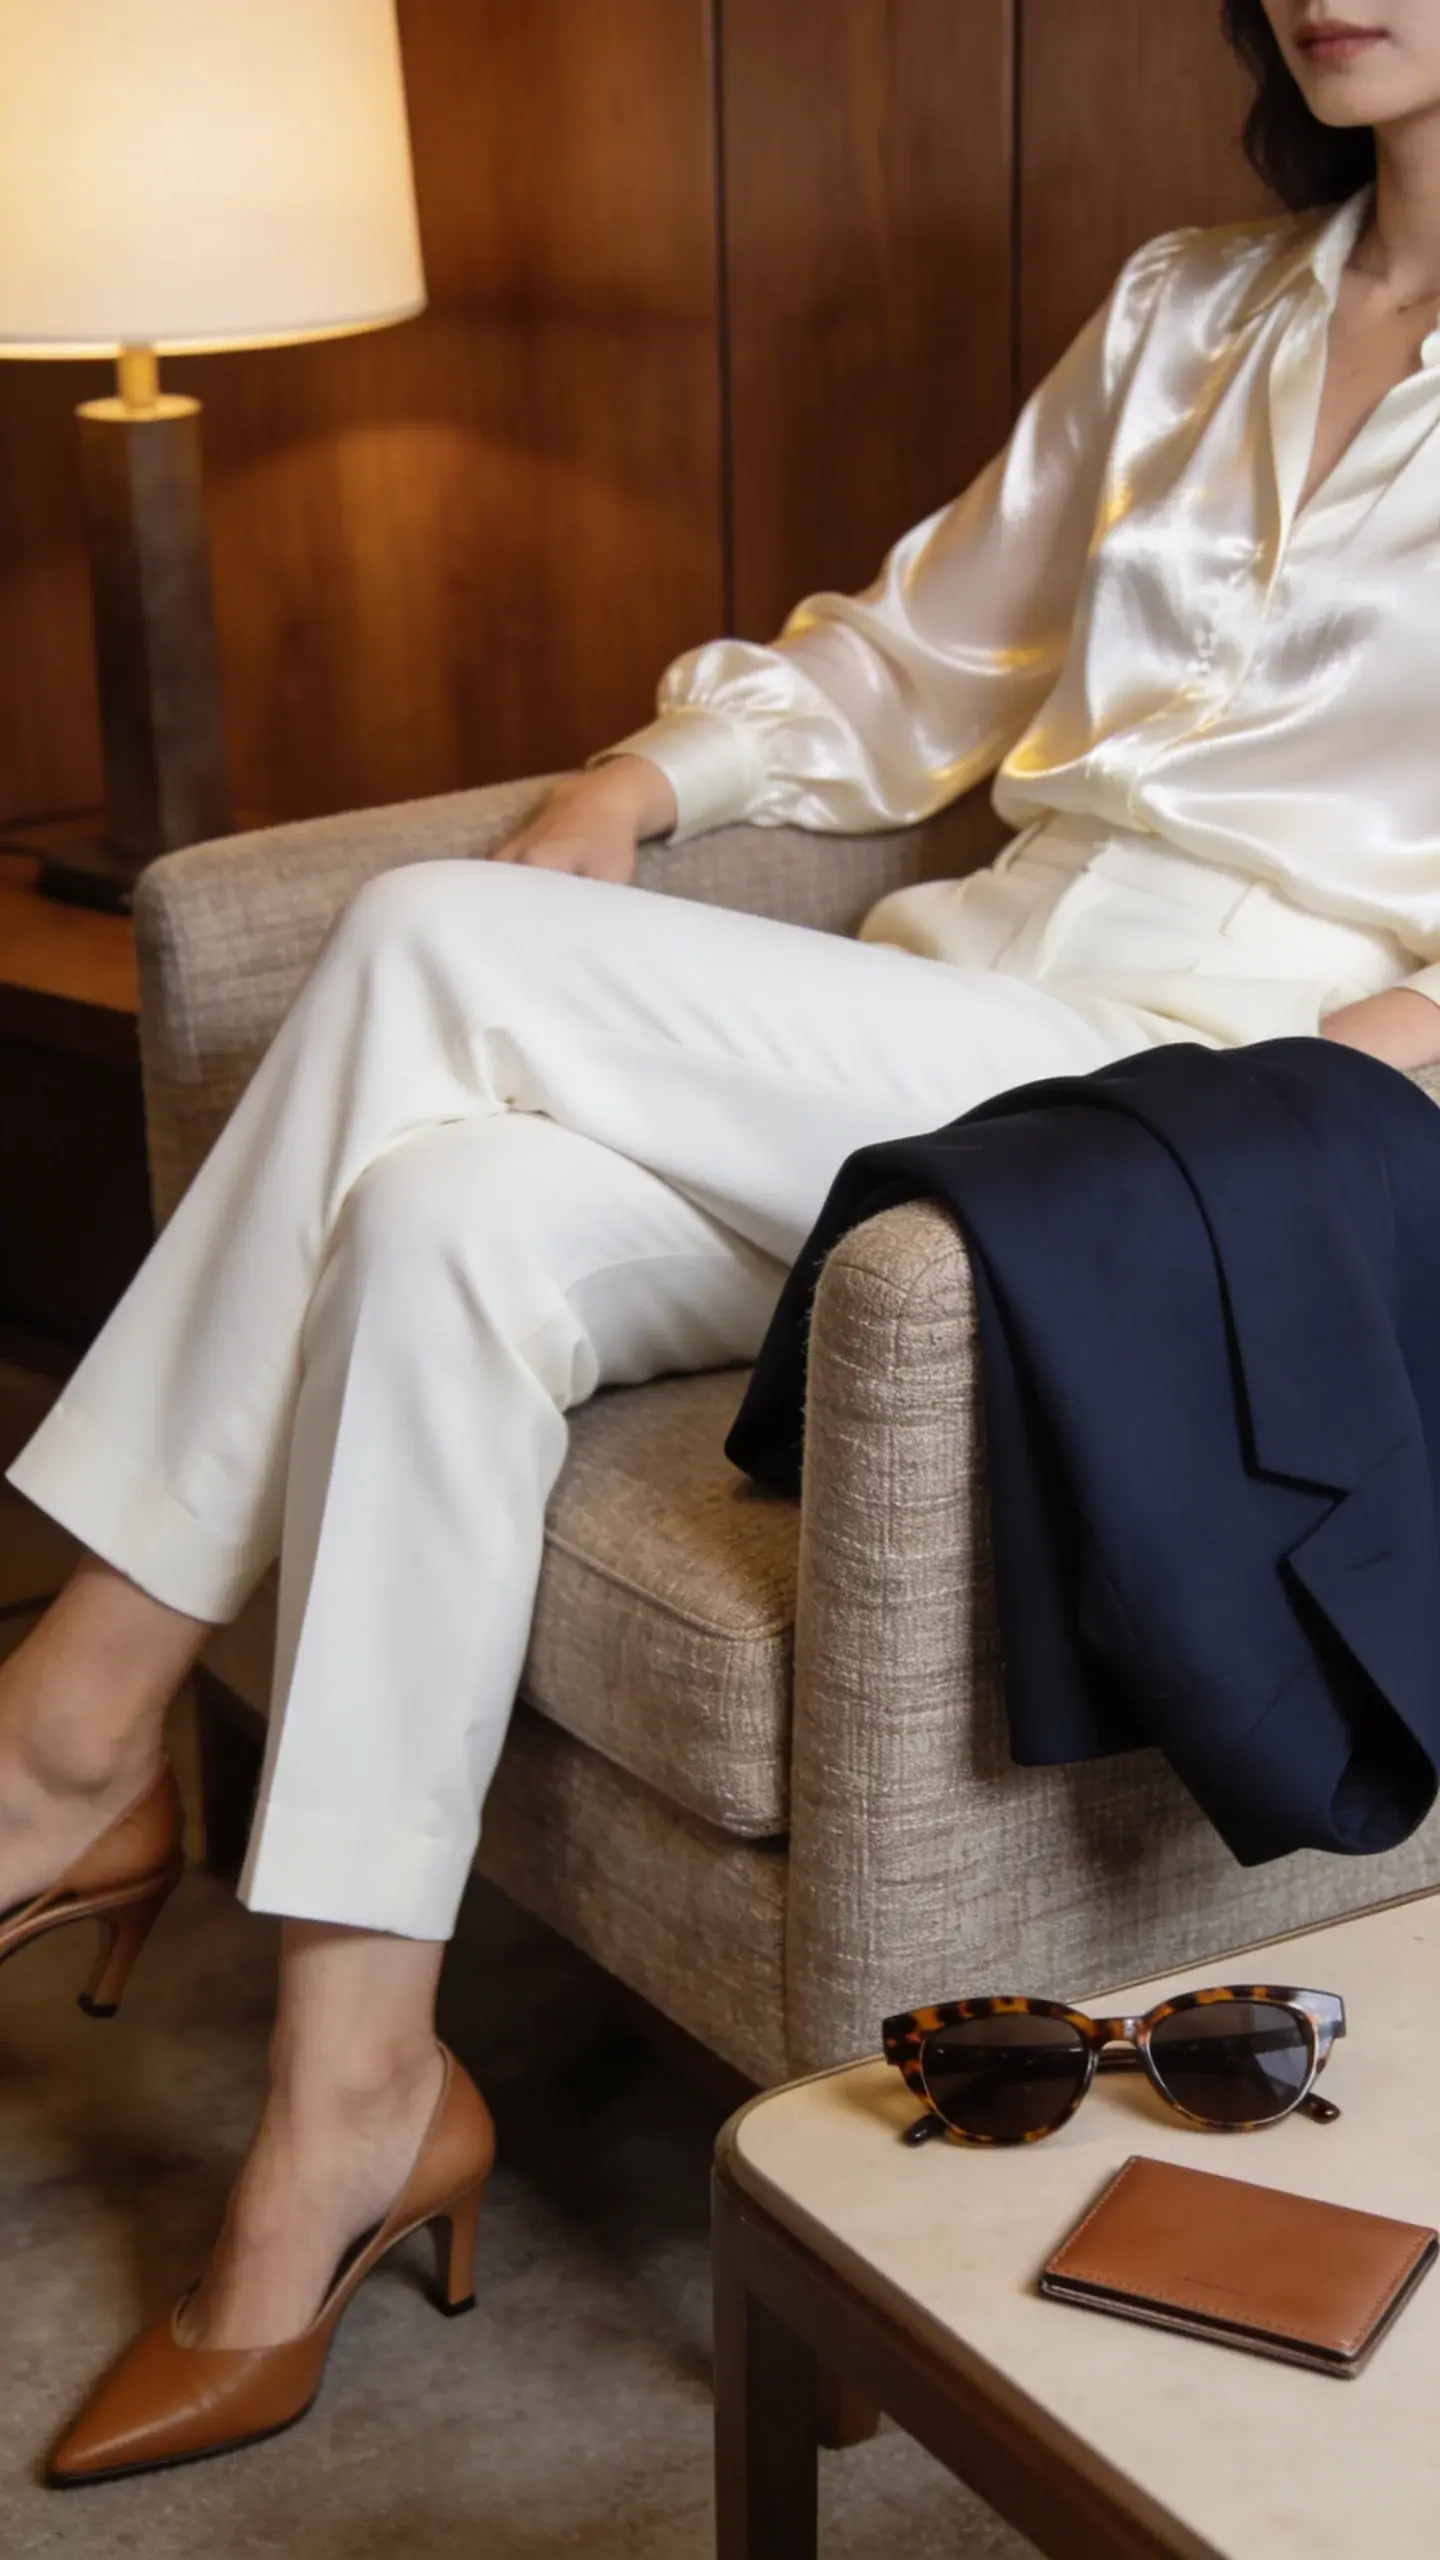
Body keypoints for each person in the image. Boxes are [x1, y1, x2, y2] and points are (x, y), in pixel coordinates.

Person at [5, 0, 1440, 2483]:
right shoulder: (1199, 300)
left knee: (435, 947)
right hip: (957, 1019)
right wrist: (644, 774)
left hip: (1227, 1115)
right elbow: (920, 665)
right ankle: (355, 2098)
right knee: (443, 1213)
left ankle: (67, 1729)